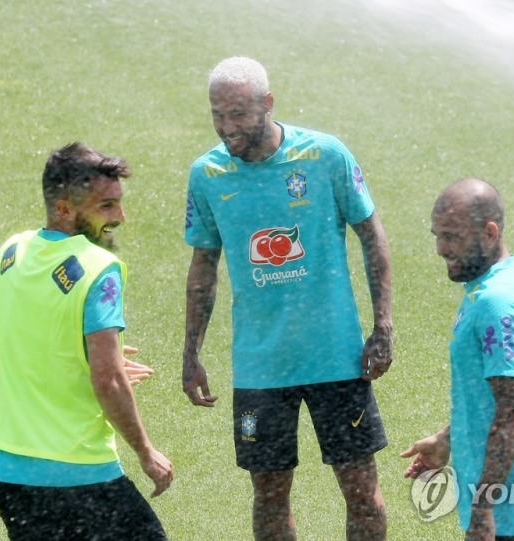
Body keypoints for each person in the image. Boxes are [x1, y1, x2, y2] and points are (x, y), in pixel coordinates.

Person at [182, 56, 393, 540]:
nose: (226, 127)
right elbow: (203, 266)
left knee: (361, 492)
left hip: (337, 360)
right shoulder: (208, 175)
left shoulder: (324, 156)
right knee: (270, 496)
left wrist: (383, 328)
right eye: (217, 114)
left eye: (237, 114)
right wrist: (191, 352)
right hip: (261, 367)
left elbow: (372, 234)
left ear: (267, 103)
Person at [0, 142, 173, 540]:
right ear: (63, 209)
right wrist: (146, 452)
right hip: (79, 477)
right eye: (106, 206)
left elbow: (23, 335)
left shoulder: (7, 254)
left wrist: (93, 354)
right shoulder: (99, 267)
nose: (120, 217)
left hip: (12, 478)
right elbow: (108, 382)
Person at [401, 178, 514, 541]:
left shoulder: (496, 302)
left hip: (510, 510)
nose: (441, 249)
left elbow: (512, 409)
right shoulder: (506, 279)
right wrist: (448, 439)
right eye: (437, 235)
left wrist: (484, 508)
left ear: (490, 233)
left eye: (452, 237)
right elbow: (496, 397)